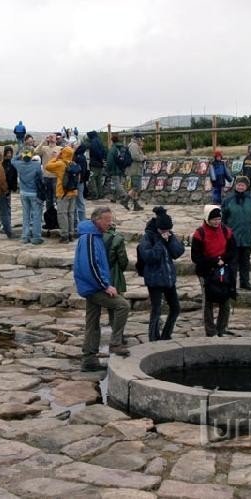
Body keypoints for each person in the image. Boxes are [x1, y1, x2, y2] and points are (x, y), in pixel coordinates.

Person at [73, 206, 130, 371]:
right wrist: (105, 285)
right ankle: (115, 343)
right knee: (122, 305)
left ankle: (89, 359)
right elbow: (90, 264)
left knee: (92, 322)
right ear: (97, 220)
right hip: (93, 286)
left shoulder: (94, 236)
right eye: (106, 220)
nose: (109, 223)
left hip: (90, 285)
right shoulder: (90, 238)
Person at [139, 207, 185, 341]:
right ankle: (153, 338)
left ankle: (166, 335)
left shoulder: (169, 234)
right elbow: (149, 257)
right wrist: (160, 242)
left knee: (175, 308)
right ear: (158, 228)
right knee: (156, 310)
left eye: (168, 230)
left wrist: (169, 240)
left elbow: (178, 252)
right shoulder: (148, 237)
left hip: (168, 278)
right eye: (163, 230)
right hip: (154, 280)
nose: (166, 233)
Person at [191, 205, 236, 337]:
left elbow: (233, 250)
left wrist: (223, 260)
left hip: (223, 270)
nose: (217, 222)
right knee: (208, 301)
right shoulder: (199, 233)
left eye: (218, 219)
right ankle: (210, 330)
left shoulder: (226, 231)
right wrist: (214, 261)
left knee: (225, 300)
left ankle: (222, 328)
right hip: (206, 271)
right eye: (214, 219)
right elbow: (196, 257)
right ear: (207, 219)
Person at [221, 176, 251, 290]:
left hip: (246, 237)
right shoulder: (228, 200)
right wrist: (222, 233)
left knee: (245, 262)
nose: (240, 187)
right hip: (232, 237)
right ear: (235, 185)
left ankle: (245, 282)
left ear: (247, 187)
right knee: (232, 263)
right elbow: (222, 219)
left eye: (243, 185)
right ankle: (231, 284)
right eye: (239, 184)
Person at [43, 146, 77, 243]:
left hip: (62, 193)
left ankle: (64, 236)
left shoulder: (61, 164)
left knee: (62, 214)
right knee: (70, 214)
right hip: (73, 192)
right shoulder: (73, 164)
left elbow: (47, 166)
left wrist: (56, 157)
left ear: (63, 154)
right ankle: (71, 234)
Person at [12, 149, 44, 245]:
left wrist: (19, 154)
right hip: (34, 193)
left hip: (23, 192)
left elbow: (12, 160)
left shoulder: (19, 164)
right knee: (37, 215)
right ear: (31, 156)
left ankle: (25, 236)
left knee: (26, 215)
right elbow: (40, 178)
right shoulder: (37, 165)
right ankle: (36, 237)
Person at [34, 134, 62, 213]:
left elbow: (65, 159)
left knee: (57, 198)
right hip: (46, 176)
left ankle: (59, 216)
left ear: (56, 139)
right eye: (50, 136)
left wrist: (57, 157)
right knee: (48, 199)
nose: (52, 137)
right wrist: (43, 141)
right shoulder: (44, 148)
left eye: (53, 136)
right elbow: (35, 151)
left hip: (56, 176)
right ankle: (49, 218)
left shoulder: (59, 148)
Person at [125, 133, 146, 211]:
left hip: (136, 168)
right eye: (141, 138)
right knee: (136, 187)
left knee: (136, 187)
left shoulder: (134, 145)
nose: (141, 140)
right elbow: (135, 157)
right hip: (135, 169)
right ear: (137, 138)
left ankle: (135, 205)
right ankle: (125, 200)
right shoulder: (134, 145)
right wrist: (144, 157)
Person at [105, 135, 128, 204]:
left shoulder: (113, 149)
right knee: (117, 183)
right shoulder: (123, 147)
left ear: (112, 141)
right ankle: (114, 198)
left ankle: (126, 196)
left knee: (117, 184)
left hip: (115, 169)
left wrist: (109, 169)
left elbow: (109, 160)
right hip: (122, 168)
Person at [73, 142, 88, 235]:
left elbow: (81, 171)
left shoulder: (79, 157)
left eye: (76, 144)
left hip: (78, 182)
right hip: (80, 182)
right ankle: (78, 222)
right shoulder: (79, 156)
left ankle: (81, 222)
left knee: (79, 202)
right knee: (77, 202)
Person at [86, 131, 107, 200]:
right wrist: (102, 160)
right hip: (100, 164)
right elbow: (104, 152)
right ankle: (100, 194)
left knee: (93, 179)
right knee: (99, 179)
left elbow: (95, 152)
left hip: (94, 163)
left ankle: (95, 195)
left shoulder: (93, 142)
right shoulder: (99, 141)